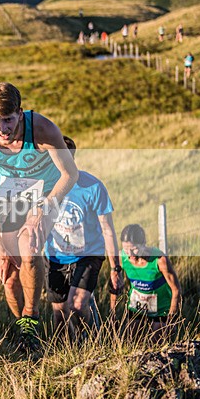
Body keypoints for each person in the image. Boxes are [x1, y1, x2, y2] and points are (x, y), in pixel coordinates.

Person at [0, 83, 78, 355]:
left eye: (8, 120)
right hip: (11, 196)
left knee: (28, 249)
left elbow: (70, 175)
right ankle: (24, 329)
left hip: (47, 190)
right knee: (9, 270)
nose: (3, 129)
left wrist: (42, 210)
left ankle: (31, 314)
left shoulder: (42, 129)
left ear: (20, 113)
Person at [45, 137, 122, 342]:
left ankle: (91, 341)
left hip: (88, 254)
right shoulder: (44, 187)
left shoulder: (93, 186)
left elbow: (107, 229)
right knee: (60, 314)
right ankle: (66, 351)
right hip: (55, 256)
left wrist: (115, 268)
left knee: (77, 305)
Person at [117, 224, 182, 341]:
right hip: (137, 308)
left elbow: (176, 289)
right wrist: (112, 313)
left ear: (144, 243)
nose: (130, 254)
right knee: (129, 341)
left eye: (134, 249)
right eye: (126, 249)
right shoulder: (122, 257)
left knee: (155, 343)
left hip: (161, 310)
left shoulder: (159, 259)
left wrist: (171, 318)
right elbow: (114, 285)